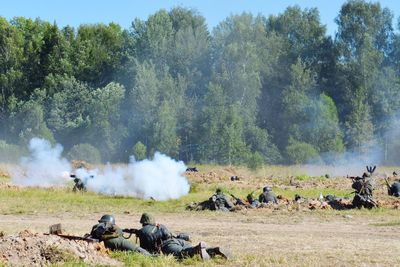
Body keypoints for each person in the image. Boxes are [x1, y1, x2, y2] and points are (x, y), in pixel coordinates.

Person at [135, 213, 231, 260]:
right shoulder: (160, 225)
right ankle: (214, 250)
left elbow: (144, 250)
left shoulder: (142, 232)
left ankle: (197, 248)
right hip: (178, 241)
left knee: (183, 254)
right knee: (193, 250)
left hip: (166, 246)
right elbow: (170, 234)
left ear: (142, 222)